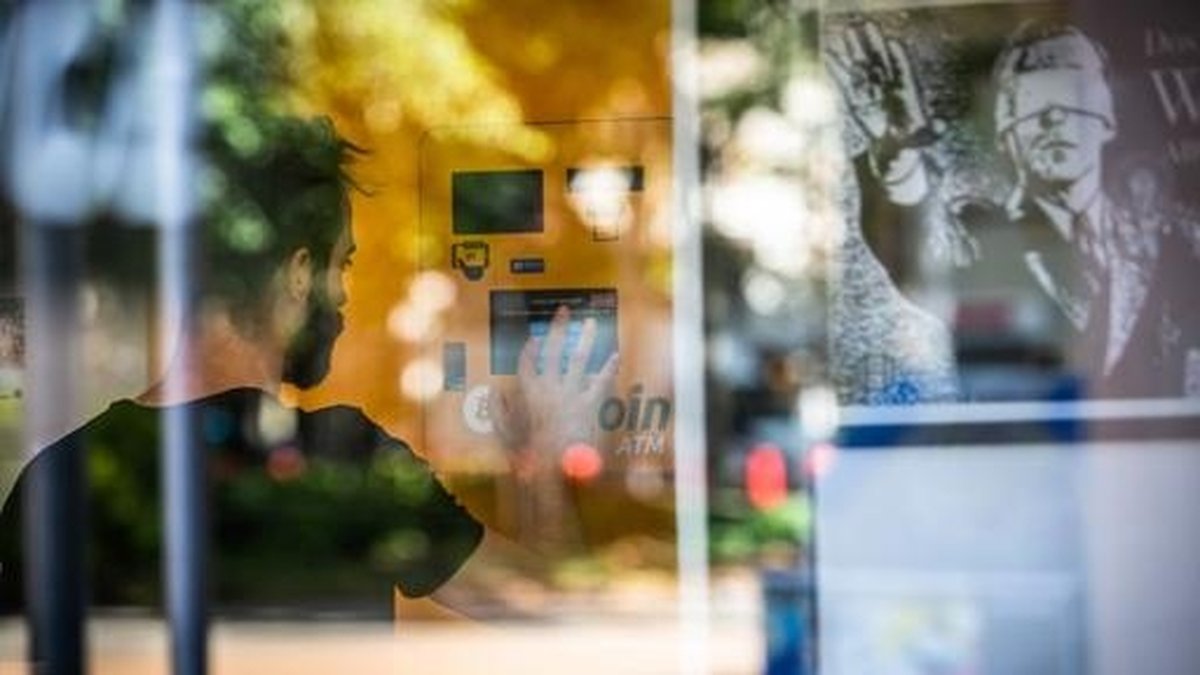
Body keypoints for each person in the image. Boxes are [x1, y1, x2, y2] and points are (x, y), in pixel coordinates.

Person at [0, 115, 614, 614]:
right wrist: (542, 459)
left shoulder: (57, 481)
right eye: (342, 265)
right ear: (299, 273)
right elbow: (549, 618)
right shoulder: (345, 462)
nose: (343, 297)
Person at [827, 18, 1200, 399]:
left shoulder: (1171, 237)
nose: (1054, 118)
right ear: (1006, 134)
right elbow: (914, 253)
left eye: (1072, 94)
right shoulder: (977, 238)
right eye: (1031, 101)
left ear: (1108, 121)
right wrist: (903, 152)